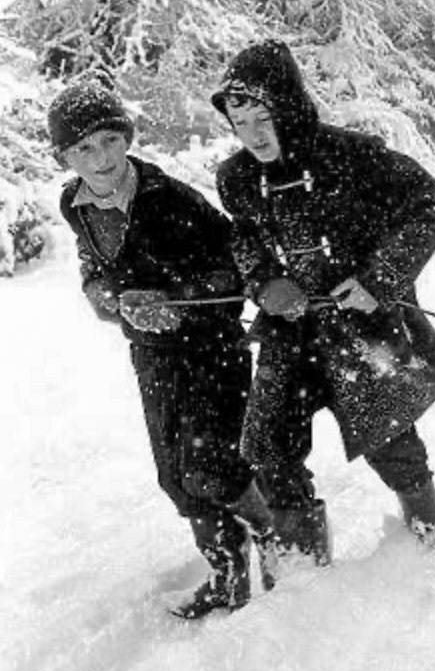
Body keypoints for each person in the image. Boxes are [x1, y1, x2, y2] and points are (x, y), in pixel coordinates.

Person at [211, 39, 435, 562]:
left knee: (392, 442)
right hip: (289, 334)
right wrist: (264, 282)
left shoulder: (354, 157)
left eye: (264, 118)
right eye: (241, 123)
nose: (254, 136)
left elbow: (430, 204)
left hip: (362, 329)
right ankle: (304, 574)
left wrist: (378, 279)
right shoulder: (236, 178)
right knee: (268, 446)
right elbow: (245, 240)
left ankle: (434, 553)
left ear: (289, 108)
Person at [49, 78, 278, 619]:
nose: (99, 158)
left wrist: (177, 298)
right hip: (151, 354)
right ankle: (227, 576)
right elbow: (93, 269)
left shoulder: (170, 199)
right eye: (83, 148)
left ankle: (273, 533)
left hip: (212, 348)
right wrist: (103, 295)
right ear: (66, 156)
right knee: (175, 478)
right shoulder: (73, 203)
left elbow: (234, 270)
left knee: (211, 466)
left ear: (125, 138)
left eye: (108, 140)